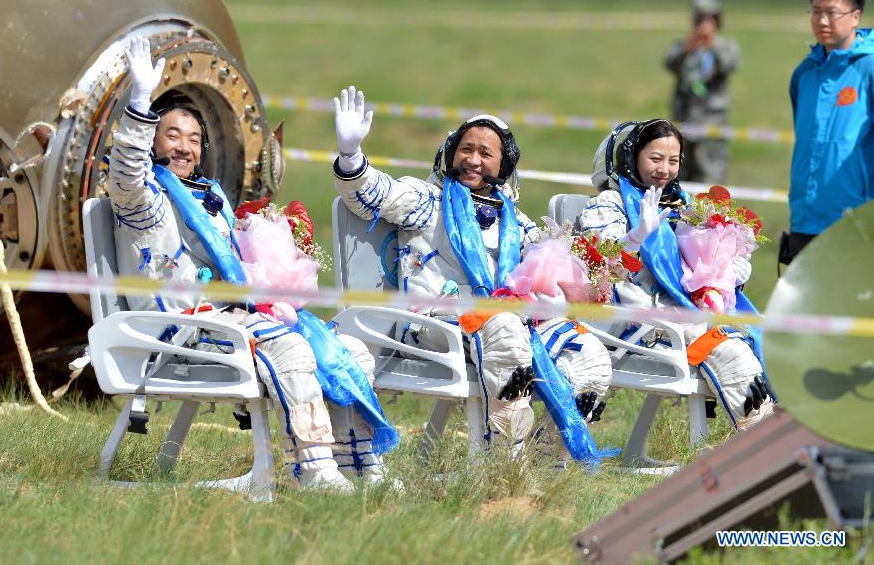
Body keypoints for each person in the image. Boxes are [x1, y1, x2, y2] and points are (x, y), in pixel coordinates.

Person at [109, 38, 396, 492]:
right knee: (291, 348)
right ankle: (313, 467)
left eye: (193, 139)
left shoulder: (214, 200)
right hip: (178, 326)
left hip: (229, 318)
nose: (183, 147)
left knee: (349, 349)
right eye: (172, 135)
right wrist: (140, 102)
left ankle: (359, 464)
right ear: (154, 142)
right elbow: (125, 175)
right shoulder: (147, 200)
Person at [332, 85, 612, 463]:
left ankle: (551, 460)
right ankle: (504, 465)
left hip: (503, 321)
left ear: (504, 165)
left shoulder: (517, 221)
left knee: (589, 355)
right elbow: (373, 195)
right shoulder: (426, 202)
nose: (474, 160)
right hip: (434, 324)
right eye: (466, 149)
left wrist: (597, 272)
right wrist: (351, 156)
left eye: (486, 153)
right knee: (504, 327)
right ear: (450, 153)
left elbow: (558, 265)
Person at [580, 119, 774, 431]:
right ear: (631, 158)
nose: (664, 169)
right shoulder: (608, 205)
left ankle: (771, 439)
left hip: (680, 314)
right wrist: (635, 238)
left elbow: (695, 272)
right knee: (731, 351)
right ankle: (763, 440)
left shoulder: (684, 209)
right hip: (633, 319)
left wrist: (726, 269)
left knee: (758, 341)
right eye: (655, 159)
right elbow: (599, 269)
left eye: (673, 161)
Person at [784, 0, 874, 263]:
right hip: (805, 216)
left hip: (855, 218)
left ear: (855, 16)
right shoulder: (804, 73)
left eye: (832, 13)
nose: (822, 21)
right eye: (816, 12)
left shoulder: (869, 69)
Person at [664, 0, 741, 184]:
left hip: (712, 120)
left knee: (710, 175)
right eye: (700, 19)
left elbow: (728, 65)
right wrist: (689, 46)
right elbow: (669, 63)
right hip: (684, 117)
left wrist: (711, 45)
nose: (704, 24)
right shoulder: (685, 46)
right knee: (679, 173)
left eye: (710, 19)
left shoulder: (726, 46)